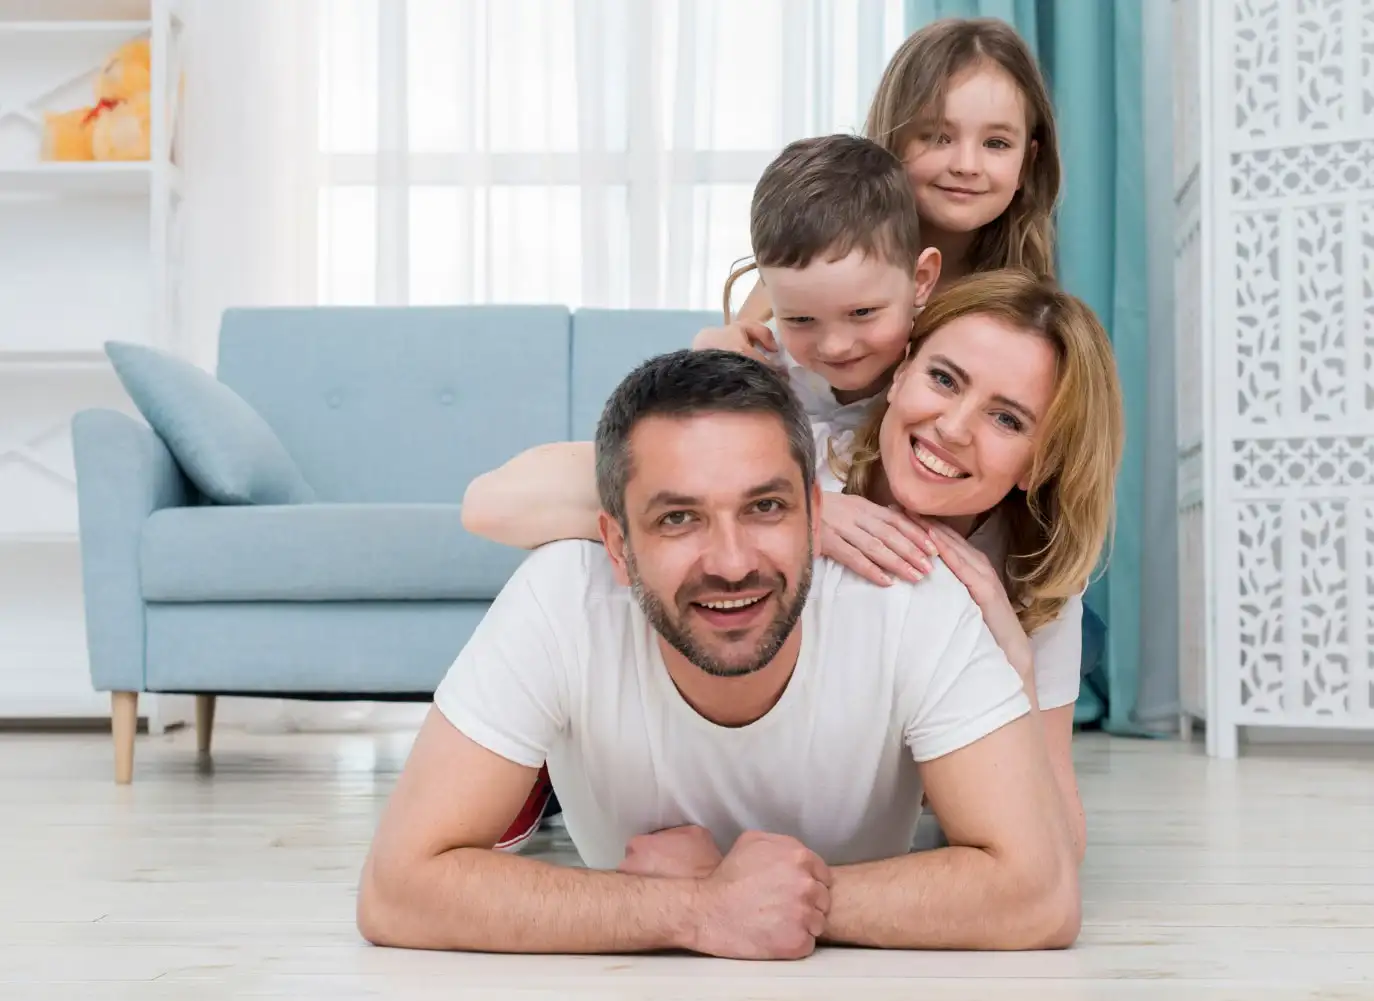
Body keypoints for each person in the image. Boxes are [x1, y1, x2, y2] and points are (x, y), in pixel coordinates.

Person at [358, 349, 1080, 959]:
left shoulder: (912, 602)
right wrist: (695, 909)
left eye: (765, 507)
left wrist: (772, 895)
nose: (732, 562)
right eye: (679, 518)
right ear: (615, 544)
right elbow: (397, 888)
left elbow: (1041, 893)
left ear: (816, 514)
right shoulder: (558, 596)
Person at [459, 270, 1125, 860]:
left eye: (1006, 418)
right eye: (943, 380)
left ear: (1041, 460)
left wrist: (1018, 671)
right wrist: (805, 513)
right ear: (902, 371)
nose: (952, 426)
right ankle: (537, 759)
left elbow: (1055, 853)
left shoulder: (1029, 584)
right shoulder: (804, 457)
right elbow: (491, 506)